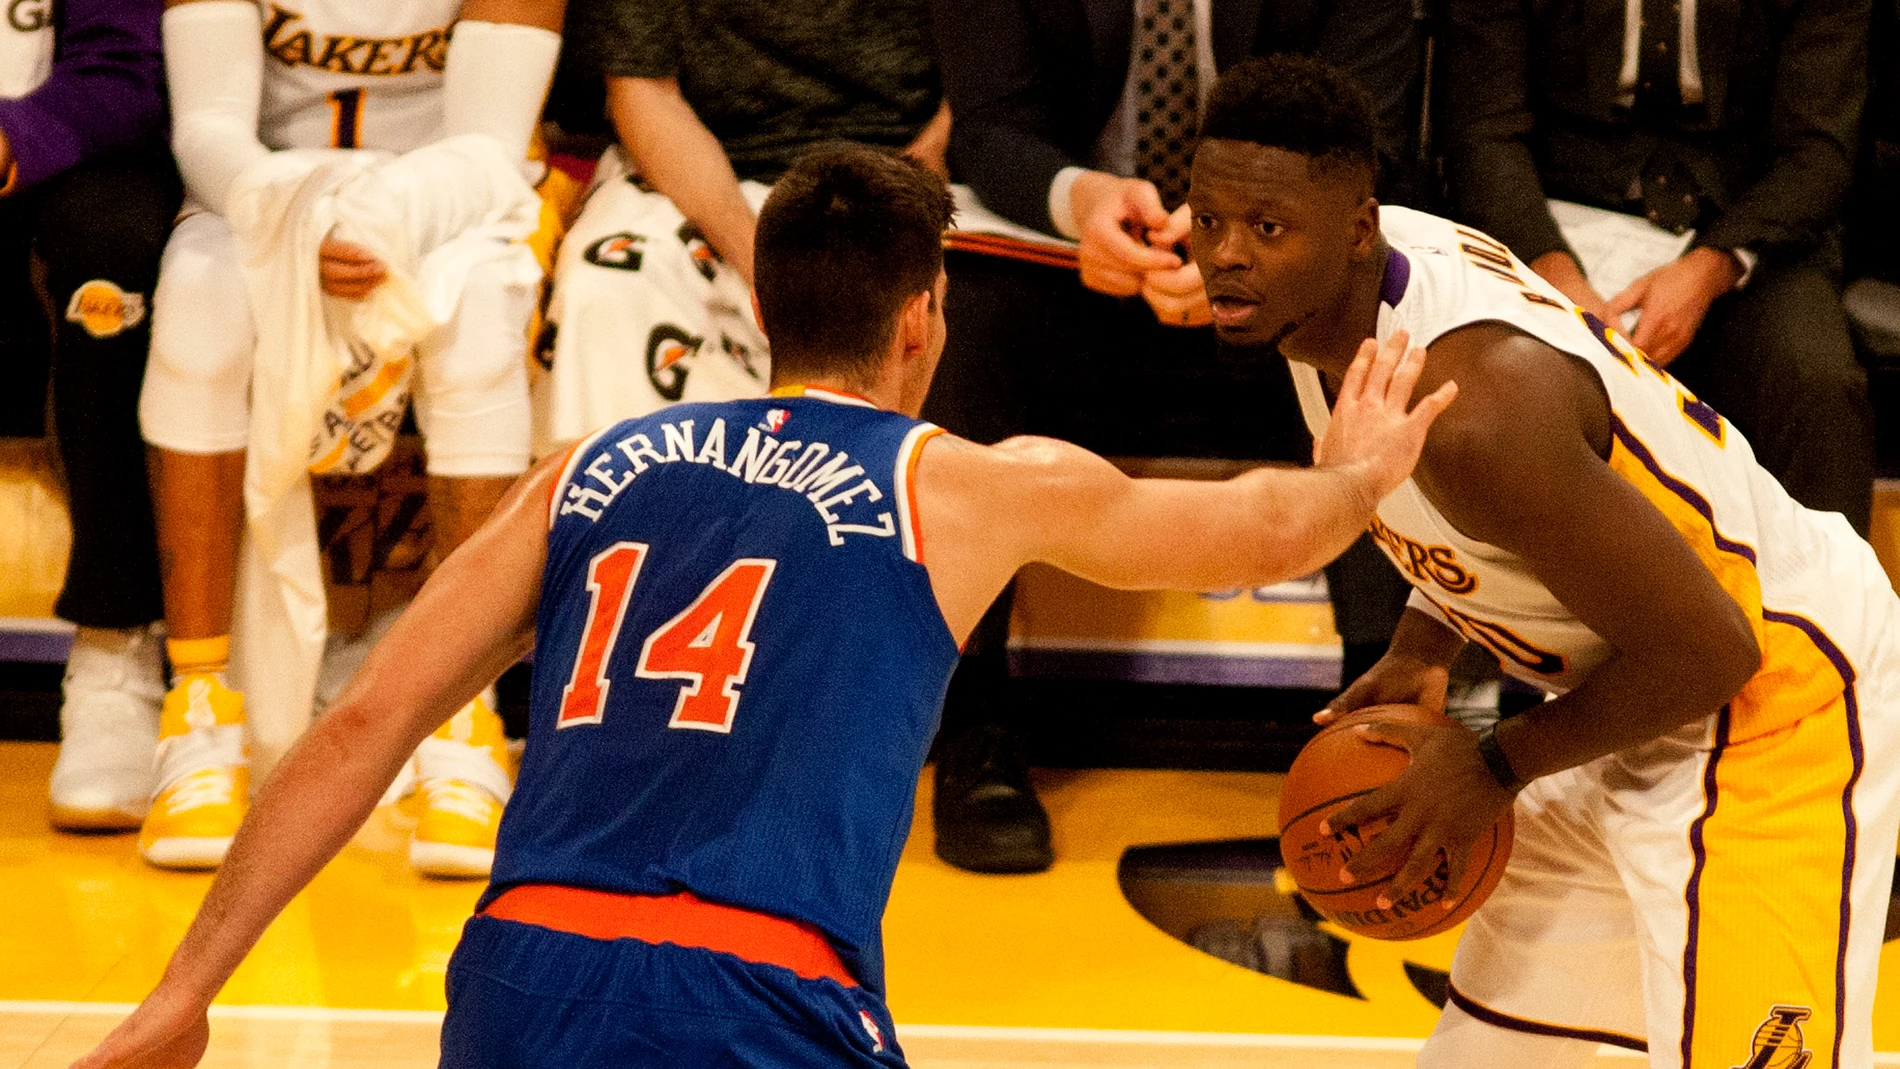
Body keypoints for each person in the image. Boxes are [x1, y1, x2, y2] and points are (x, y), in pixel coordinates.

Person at [73, 145, 1452, 1069]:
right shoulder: (964, 485)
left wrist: (184, 992)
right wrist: (1359, 472)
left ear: (762, 298)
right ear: (920, 320)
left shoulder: (585, 469)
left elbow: (363, 722)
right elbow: (1248, 530)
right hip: (753, 989)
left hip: (520, 976)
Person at [1191, 55, 1900, 1068]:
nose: (1226, 256)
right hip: (1630, 703)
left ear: (1356, 228)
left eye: (1266, 229)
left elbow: (1712, 651)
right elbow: (1494, 521)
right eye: (1207, 220)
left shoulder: (1479, 408)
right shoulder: (1347, 304)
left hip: (1780, 704)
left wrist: (1491, 765)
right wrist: (1424, 644)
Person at [924, 0, 1425, 874]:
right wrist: (1079, 198)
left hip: (1282, 263)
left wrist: (1238, 242)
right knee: (964, 308)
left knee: (1376, 303)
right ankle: (974, 718)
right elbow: (991, 126)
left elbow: (1367, 140)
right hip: (1075, 263)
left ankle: (1379, 722)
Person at [134, 0, 565, 875]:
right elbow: (206, 127)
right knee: (195, 302)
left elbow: (491, 145)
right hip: (261, 196)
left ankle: (466, 720)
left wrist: (382, 218)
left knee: (481, 326)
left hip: (446, 204)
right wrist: (301, 214)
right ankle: (199, 712)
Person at [1438, 0, 1875, 535]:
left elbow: (1819, 151)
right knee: (1479, 378)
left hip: (1746, 222)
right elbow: (1483, 129)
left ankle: (1827, 590)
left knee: (1815, 382)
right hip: (1552, 215)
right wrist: (1551, 267)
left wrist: (1711, 267)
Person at [533, 0, 948, 453]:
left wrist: (911, 187)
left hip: (903, 170)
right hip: (700, 173)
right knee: (604, 289)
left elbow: (989, 86)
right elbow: (642, 89)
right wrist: (766, 268)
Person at [0, 0, 179, 832]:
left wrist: (16, 135)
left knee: (111, 251)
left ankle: (115, 647)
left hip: (65, 143)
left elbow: (127, 71)